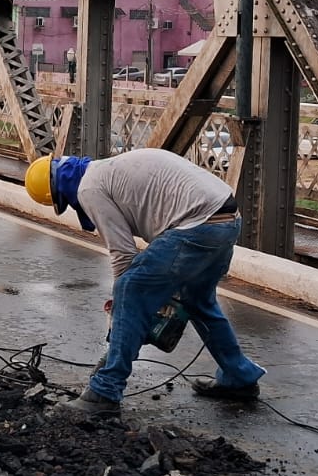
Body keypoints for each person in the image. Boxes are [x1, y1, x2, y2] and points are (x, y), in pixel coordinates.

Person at [24, 148, 266, 415]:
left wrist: (121, 309)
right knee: (198, 301)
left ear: (59, 193)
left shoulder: (88, 189)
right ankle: (239, 376)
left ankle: (105, 390)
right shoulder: (103, 170)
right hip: (227, 219)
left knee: (130, 288)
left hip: (199, 224)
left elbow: (123, 253)